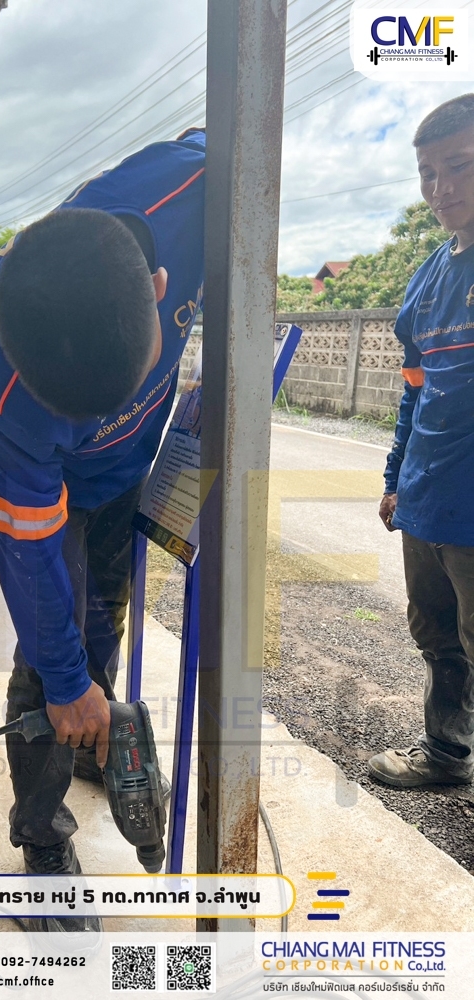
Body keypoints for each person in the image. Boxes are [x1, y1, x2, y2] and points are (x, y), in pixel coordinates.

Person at [0, 129, 205, 933]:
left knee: (106, 619)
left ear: (161, 289)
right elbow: (29, 557)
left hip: (128, 471)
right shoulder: (3, 389)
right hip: (56, 493)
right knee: (50, 662)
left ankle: (96, 745)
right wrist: (67, 684)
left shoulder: (201, 186)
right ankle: (41, 836)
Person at [370, 94, 474, 789]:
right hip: (428, 499)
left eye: (459, 166)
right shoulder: (428, 279)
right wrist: (394, 479)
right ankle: (445, 752)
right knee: (437, 637)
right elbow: (414, 391)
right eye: (428, 173)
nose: (441, 188)